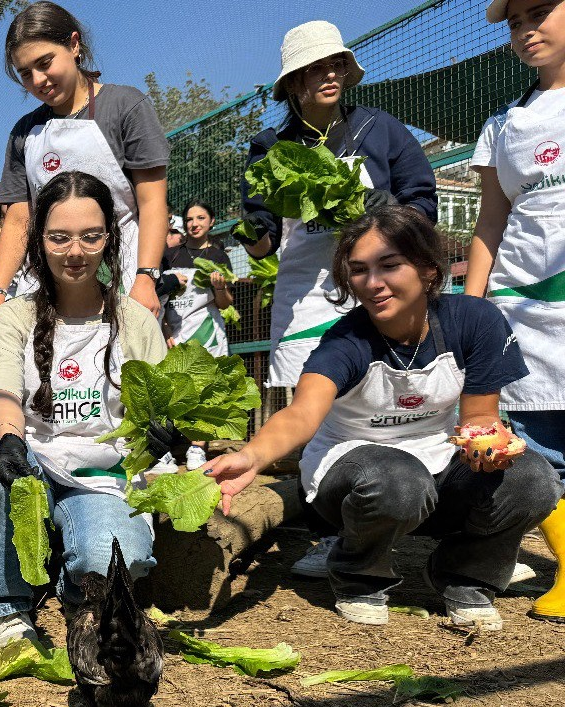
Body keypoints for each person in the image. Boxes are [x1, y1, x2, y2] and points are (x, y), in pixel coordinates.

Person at [204, 207, 563, 631]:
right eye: (359, 271)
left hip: (437, 467)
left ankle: (465, 575)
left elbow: (479, 420)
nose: (373, 283)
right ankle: (357, 573)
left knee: (534, 477)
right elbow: (302, 413)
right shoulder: (345, 342)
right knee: (398, 477)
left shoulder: (474, 322)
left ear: (428, 270)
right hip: (352, 476)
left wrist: (489, 448)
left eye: (389, 265)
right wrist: (253, 456)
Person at [237, 20, 438, 578]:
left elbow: (424, 201)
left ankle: (391, 518)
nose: (328, 75)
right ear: (293, 84)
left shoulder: (382, 130)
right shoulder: (271, 147)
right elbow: (263, 244)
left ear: (347, 72)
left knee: (380, 397)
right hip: (307, 292)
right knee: (315, 408)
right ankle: (329, 533)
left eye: (335, 66)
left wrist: (388, 212)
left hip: (375, 282)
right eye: (313, 69)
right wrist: (252, 229)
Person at [0, 171, 167, 647]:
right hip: (31, 464)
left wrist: (166, 436)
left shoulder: (136, 321)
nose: (75, 251)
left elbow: (160, 408)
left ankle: (70, 578)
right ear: (38, 241)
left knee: (116, 562)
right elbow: (4, 393)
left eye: (90, 236)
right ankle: (8, 606)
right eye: (59, 238)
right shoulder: (16, 316)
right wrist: (11, 437)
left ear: (109, 239)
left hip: (103, 477)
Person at [0, 0, 171, 343]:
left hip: (122, 274)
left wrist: (145, 277)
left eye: (44, 63)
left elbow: (153, 201)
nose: (38, 80)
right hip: (49, 281)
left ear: (74, 45)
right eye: (25, 73)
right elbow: (19, 220)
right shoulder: (25, 131)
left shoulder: (125, 106)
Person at [468, 0, 565, 623]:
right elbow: (491, 220)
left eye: (541, 11)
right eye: (514, 21)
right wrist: (472, 309)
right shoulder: (505, 125)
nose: (526, 29)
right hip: (524, 307)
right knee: (533, 446)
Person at [162, 200, 234, 358]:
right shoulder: (169, 256)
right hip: (174, 337)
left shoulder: (219, 256)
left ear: (212, 221)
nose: (194, 224)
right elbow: (160, 298)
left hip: (208, 338)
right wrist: (165, 328)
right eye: (189, 219)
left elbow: (225, 303)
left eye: (201, 218)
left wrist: (220, 288)